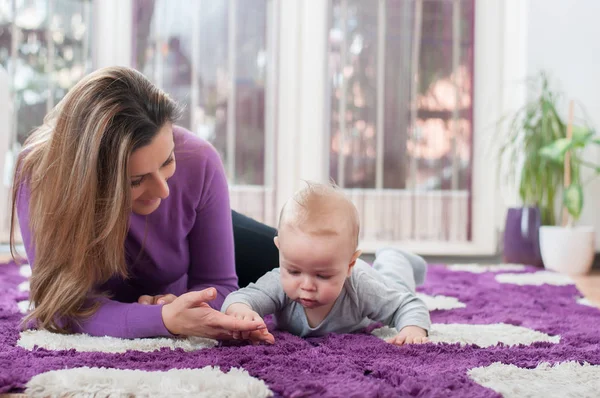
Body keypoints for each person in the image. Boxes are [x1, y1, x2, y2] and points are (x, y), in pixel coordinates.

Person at [11, 66, 277, 341]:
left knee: (308, 266)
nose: (162, 190)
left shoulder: (199, 160)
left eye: (167, 161)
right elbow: (61, 307)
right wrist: (163, 319)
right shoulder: (41, 174)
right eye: (136, 180)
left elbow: (219, 284)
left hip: (195, 222)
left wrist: (182, 305)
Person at [222, 182, 431, 345]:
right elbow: (243, 297)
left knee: (396, 282)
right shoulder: (278, 282)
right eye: (294, 271)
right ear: (280, 250)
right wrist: (241, 310)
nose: (306, 285)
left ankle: (394, 256)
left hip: (373, 281)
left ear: (349, 265)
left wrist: (412, 329)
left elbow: (406, 305)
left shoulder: (361, 287)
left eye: (322, 275)